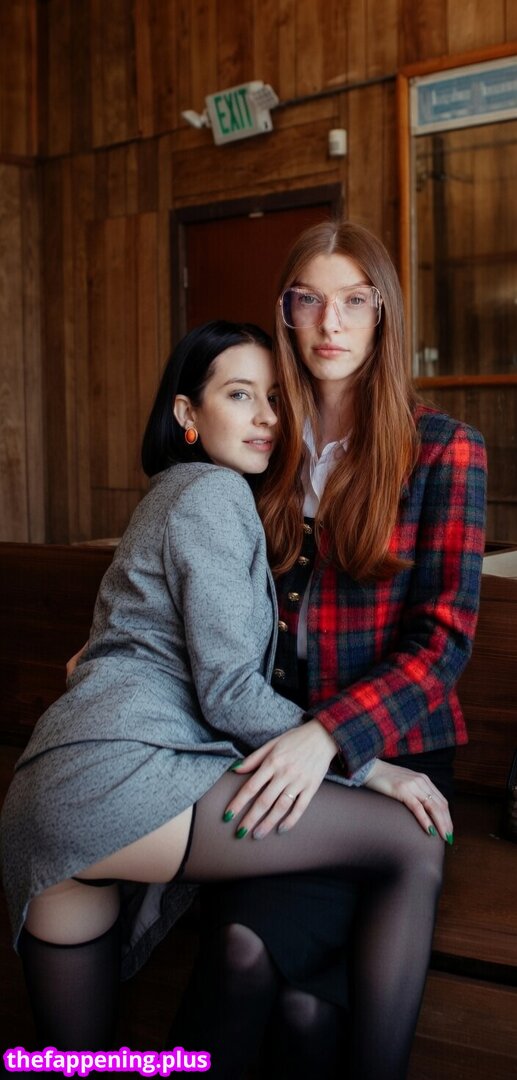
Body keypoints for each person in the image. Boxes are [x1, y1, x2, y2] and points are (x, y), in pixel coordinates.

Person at [0, 315, 471, 1077]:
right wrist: (371, 766)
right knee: (410, 837)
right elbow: (228, 694)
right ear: (187, 412)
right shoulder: (214, 493)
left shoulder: (170, 494)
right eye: (239, 395)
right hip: (117, 784)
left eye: (276, 399)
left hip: (46, 796)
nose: (265, 418)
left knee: (78, 1064)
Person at [164, 221, 488, 1079]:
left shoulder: (442, 448)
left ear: (382, 314)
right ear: (284, 312)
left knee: (308, 1015)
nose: (329, 323)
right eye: (307, 300)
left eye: (353, 301)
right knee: (241, 954)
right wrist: (117, 654)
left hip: (396, 756)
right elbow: (188, 578)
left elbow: (442, 641)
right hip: (275, 746)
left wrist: (328, 737)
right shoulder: (260, 445)